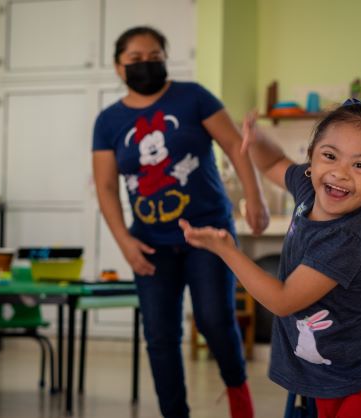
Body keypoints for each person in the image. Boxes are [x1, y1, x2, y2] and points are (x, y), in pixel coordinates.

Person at [179, 101, 361, 418]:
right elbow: (273, 161)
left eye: (360, 165)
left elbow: (283, 301)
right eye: (330, 156)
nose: (340, 172)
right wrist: (257, 140)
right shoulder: (308, 189)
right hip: (329, 374)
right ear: (312, 160)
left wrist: (228, 251)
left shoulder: (346, 240)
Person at [92, 26, 269, 418]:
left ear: (166, 57)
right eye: (135, 59)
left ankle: (239, 394)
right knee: (159, 336)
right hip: (150, 241)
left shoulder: (193, 97)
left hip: (209, 235)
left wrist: (253, 197)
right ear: (118, 67)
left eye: (154, 55)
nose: (145, 64)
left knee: (214, 321)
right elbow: (105, 187)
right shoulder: (108, 121)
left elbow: (235, 148)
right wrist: (123, 241)